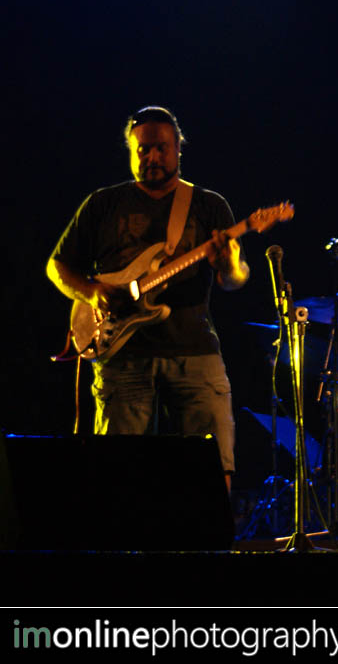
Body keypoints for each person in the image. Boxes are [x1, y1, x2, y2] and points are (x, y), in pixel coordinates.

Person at [46, 106, 249, 490]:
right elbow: (58, 266)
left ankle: (209, 530)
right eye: (143, 149)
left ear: (178, 149)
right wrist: (92, 292)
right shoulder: (103, 203)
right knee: (117, 475)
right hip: (121, 354)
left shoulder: (208, 205)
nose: (152, 157)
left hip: (194, 351)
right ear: (131, 150)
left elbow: (233, 280)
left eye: (161, 148)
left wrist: (230, 262)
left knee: (213, 466)